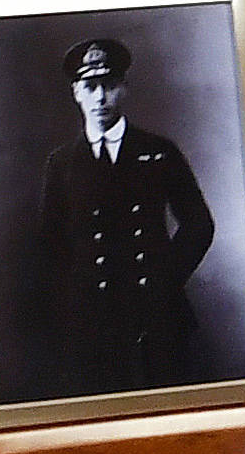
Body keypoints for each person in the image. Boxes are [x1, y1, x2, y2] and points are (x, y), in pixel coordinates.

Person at [23, 34, 223, 400]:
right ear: (76, 93)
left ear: (124, 89)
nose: (100, 97)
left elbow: (199, 224)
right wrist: (79, 293)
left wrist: (164, 277)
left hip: (158, 316)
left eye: (109, 85)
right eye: (90, 86)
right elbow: (50, 242)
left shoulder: (158, 151)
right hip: (95, 327)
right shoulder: (62, 163)